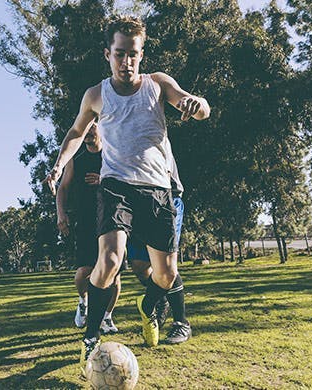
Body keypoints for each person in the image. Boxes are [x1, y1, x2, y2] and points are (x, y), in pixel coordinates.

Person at [43, 15, 210, 364]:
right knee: (110, 259)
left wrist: (197, 106)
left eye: (133, 54)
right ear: (108, 54)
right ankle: (90, 337)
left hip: (158, 189)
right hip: (116, 185)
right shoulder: (96, 95)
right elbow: (76, 133)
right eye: (119, 54)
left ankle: (150, 303)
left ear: (141, 54)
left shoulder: (157, 84)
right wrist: (59, 165)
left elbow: (194, 105)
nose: (126, 61)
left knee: (164, 274)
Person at [56, 121, 121, 335]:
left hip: (112, 218)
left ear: (102, 128)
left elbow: (127, 181)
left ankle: (107, 317)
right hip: (85, 220)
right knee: (84, 271)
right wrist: (61, 213)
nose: (89, 130)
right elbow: (63, 188)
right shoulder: (76, 157)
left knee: (115, 274)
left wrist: (104, 179)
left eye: (93, 125)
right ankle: (83, 302)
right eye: (86, 128)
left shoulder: (112, 154)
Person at [128, 150, 191, 344]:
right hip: (136, 200)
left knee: (166, 267)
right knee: (139, 264)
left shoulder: (153, 129)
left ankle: (180, 323)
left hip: (165, 197)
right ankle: (160, 297)